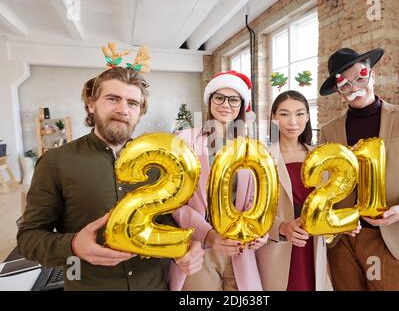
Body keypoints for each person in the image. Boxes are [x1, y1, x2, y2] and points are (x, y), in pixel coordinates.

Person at [17, 65, 204, 290]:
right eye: (113, 99)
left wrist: (183, 248)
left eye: (132, 103)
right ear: (91, 104)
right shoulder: (56, 162)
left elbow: (161, 220)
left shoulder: (156, 163)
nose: (123, 109)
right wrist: (74, 245)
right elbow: (29, 239)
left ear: (140, 111)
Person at [318, 47, 399, 290]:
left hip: (389, 237)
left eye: (360, 76)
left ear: (373, 76)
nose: (354, 86)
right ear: (338, 90)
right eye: (344, 83)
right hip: (342, 239)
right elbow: (324, 184)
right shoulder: (329, 130)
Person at [169, 70, 268, 291]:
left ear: (242, 105)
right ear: (209, 101)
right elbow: (174, 201)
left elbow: (258, 196)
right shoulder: (184, 140)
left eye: (234, 99)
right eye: (219, 97)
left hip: (240, 247)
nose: (226, 104)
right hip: (199, 246)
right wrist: (208, 235)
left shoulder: (250, 147)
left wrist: (260, 231)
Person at [256, 90, 336, 291]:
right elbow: (252, 211)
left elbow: (328, 206)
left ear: (308, 117)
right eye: (284, 114)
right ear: (274, 118)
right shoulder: (262, 158)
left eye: (300, 113)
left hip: (313, 247)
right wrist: (281, 228)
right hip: (277, 249)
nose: (293, 121)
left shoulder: (320, 157)